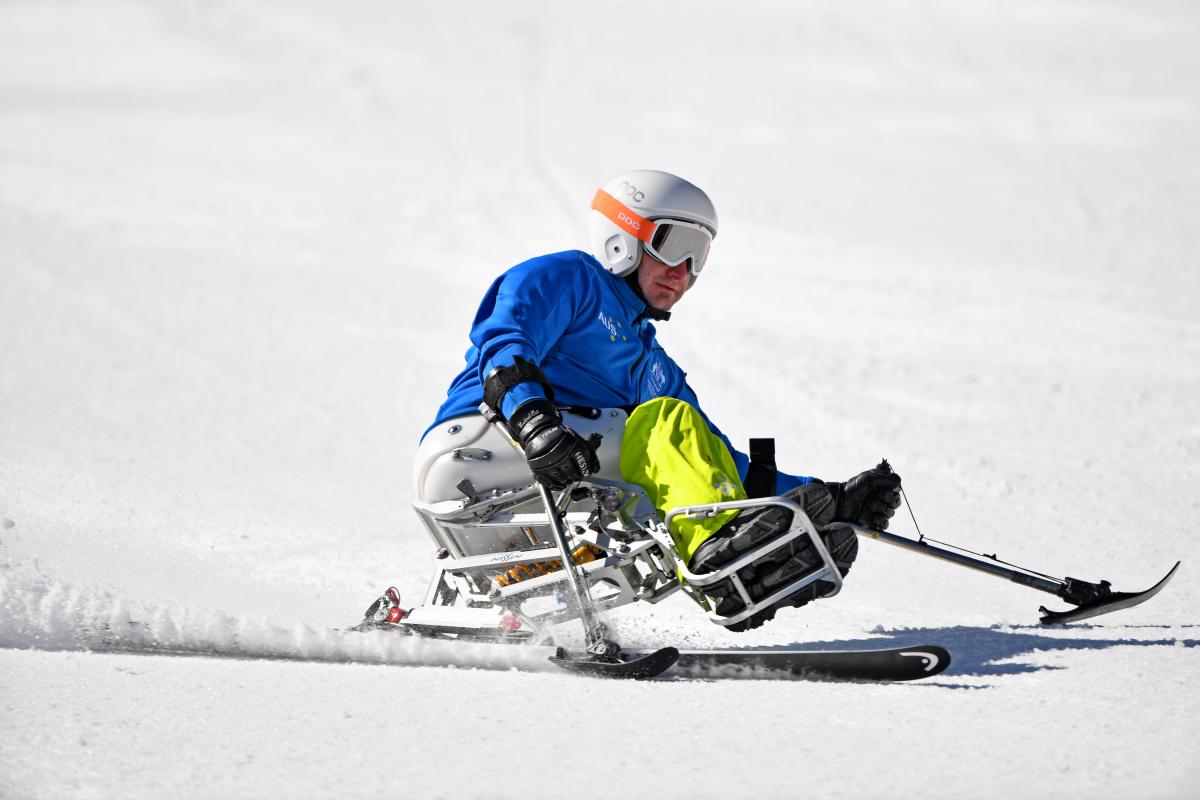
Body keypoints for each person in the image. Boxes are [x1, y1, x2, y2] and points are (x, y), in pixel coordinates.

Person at [417, 169, 902, 630]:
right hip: (486, 444)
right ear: (622, 239)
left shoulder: (653, 364)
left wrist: (825, 500)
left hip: (564, 472)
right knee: (664, 421)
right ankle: (721, 550)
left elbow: (714, 462)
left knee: (683, 431)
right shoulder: (571, 279)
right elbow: (505, 345)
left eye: (699, 255)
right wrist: (538, 426)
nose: (683, 271)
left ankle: (757, 558)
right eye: (674, 246)